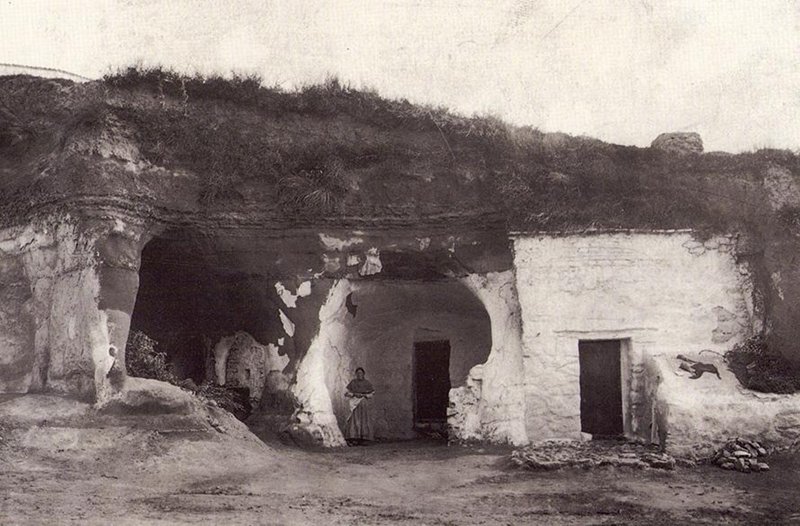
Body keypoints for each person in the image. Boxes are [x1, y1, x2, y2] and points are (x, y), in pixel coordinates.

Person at [344, 367, 374, 446]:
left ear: (364, 374)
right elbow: (346, 392)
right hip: (354, 403)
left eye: (361, 373)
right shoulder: (353, 383)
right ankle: (354, 438)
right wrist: (354, 394)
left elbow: (372, 393)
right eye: (358, 373)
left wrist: (364, 395)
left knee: (364, 420)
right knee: (355, 420)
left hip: (363, 403)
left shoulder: (367, 383)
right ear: (356, 374)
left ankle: (364, 438)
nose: (359, 374)